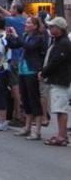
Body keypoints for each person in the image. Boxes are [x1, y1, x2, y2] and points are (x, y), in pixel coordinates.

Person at [0, 0, 26, 126]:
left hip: (12, 58)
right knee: (17, 87)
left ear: (15, 9)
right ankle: (18, 113)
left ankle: (18, 114)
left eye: (12, 7)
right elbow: (7, 14)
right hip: (21, 56)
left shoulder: (10, 21)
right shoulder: (24, 19)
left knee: (15, 88)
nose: (9, 10)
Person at [8, 16, 46, 140]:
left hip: (32, 70)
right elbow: (14, 45)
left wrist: (16, 35)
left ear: (35, 26)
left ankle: (37, 130)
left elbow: (28, 47)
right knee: (25, 99)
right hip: (22, 70)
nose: (26, 24)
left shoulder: (39, 38)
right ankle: (27, 127)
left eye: (29, 22)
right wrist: (9, 36)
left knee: (34, 99)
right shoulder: (25, 35)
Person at [39, 17, 71, 146]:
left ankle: (61, 136)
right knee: (59, 108)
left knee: (61, 109)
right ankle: (61, 134)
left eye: (52, 26)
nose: (50, 28)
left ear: (59, 29)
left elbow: (56, 61)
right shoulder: (58, 41)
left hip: (61, 79)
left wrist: (44, 72)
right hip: (58, 78)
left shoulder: (63, 43)